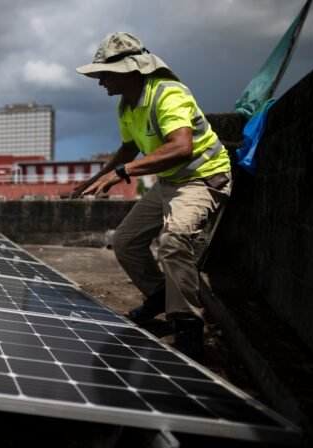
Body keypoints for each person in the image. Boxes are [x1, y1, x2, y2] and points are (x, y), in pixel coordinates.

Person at [73, 33, 232, 361]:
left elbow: (181, 147)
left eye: (104, 73)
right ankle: (162, 295)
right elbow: (129, 147)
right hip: (170, 181)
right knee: (126, 242)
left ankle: (187, 324)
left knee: (173, 240)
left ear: (130, 70)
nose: (100, 81)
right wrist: (96, 177)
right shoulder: (127, 105)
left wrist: (122, 173)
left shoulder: (167, 94)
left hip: (202, 179)